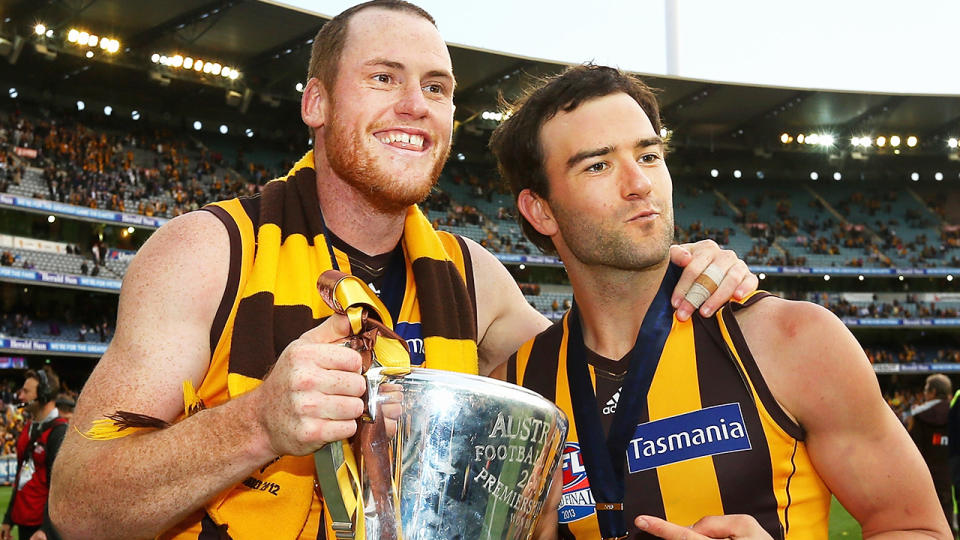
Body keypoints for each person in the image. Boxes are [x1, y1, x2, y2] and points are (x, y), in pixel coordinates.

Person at [47, 3, 755, 539]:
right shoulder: (210, 250)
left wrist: (686, 271)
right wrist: (257, 424)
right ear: (317, 102)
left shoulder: (472, 278)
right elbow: (77, 503)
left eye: (438, 88)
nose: (417, 106)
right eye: (384, 78)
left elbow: (608, 373)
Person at [489, 64, 951, 539]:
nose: (640, 184)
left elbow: (920, 529)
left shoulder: (793, 341)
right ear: (540, 210)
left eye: (649, 156)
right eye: (598, 165)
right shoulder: (513, 392)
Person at [2, 368, 67, 540]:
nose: (20, 396)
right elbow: (20, 476)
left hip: (42, 530)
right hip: (23, 522)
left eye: (26, 391)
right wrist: (8, 519)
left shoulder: (59, 432)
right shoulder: (27, 429)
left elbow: (60, 490)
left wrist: (45, 528)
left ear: (44, 394)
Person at [906, 374, 953, 528]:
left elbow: (912, 452)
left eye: (926, 390)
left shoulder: (919, 415)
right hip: (951, 478)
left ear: (933, 392)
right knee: (949, 522)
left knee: (926, 527)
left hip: (926, 479)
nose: (924, 394)